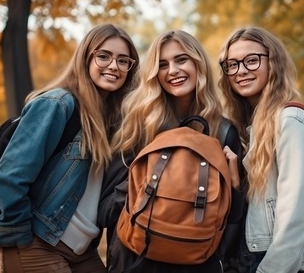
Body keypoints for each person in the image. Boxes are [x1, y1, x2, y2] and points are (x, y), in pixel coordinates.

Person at [0, 23, 140, 273]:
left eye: (123, 61)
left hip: (81, 250)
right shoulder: (58, 104)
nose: (114, 66)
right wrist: (20, 237)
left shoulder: (112, 121)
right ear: (85, 58)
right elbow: (11, 176)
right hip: (38, 241)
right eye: (103, 56)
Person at [97, 30, 246, 273]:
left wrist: (235, 187)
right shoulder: (138, 123)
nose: (173, 71)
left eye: (181, 60)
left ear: (198, 63)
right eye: (163, 64)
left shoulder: (223, 131)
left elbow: (232, 217)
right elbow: (106, 206)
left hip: (198, 263)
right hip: (135, 259)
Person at [217, 26, 304, 273]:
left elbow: (294, 218)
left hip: (287, 265)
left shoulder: (291, 121)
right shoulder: (245, 127)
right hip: (251, 261)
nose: (241, 70)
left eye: (252, 60)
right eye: (232, 64)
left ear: (273, 63)